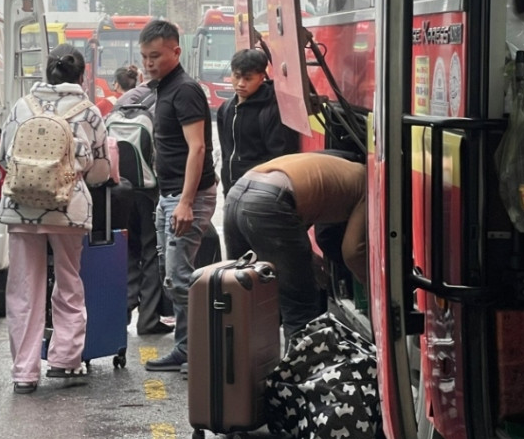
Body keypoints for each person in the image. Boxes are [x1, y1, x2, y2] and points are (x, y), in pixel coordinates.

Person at [0, 44, 111, 394]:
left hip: (21, 209)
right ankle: (64, 360)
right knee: (68, 282)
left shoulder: (21, 107)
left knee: (23, 290)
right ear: (82, 75)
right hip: (68, 210)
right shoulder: (89, 112)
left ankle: (24, 373)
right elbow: (100, 170)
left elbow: (4, 158)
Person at [139, 20, 217, 373]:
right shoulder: (163, 88)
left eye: (156, 55)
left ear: (176, 51)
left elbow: (197, 148)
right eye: (144, 56)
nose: (149, 63)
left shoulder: (185, 90)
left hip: (189, 197)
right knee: (174, 276)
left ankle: (209, 346)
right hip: (167, 194)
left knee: (179, 279)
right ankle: (186, 349)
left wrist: (185, 201)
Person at [224, 152, 367, 340]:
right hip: (269, 202)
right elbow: (354, 251)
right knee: (301, 308)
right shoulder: (369, 185)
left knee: (245, 296)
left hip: (236, 194)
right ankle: (302, 366)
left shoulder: (333, 170)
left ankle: (242, 364)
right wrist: (374, 289)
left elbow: (296, 222)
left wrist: (307, 260)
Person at [108, 75, 175, 336]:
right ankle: (148, 320)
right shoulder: (166, 101)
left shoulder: (124, 101)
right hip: (149, 191)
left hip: (120, 189)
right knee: (151, 252)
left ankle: (120, 317)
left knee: (127, 251)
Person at [216, 49, 299, 250]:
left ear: (262, 77)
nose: (241, 84)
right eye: (236, 76)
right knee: (237, 257)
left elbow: (279, 157)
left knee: (263, 258)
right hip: (232, 195)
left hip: (260, 199)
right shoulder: (226, 109)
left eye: (248, 78)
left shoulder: (271, 110)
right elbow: (227, 152)